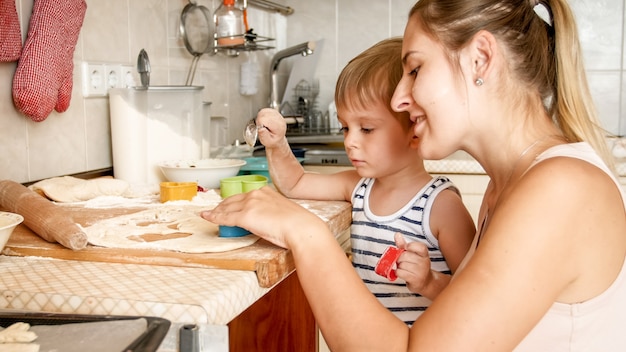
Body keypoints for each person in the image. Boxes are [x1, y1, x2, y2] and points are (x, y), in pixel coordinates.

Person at [202, 0, 626, 350]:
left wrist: (305, 232)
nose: (400, 98)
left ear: (480, 59)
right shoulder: (513, 185)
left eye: (415, 69)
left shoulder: (561, 190)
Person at [254, 37, 476, 325]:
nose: (350, 141)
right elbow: (295, 184)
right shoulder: (358, 188)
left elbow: (474, 301)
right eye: (346, 127)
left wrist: (429, 282)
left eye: (367, 128)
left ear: (415, 128)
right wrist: (277, 143)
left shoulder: (442, 206)